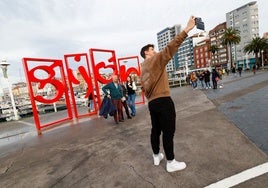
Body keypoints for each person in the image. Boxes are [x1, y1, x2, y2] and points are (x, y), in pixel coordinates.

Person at [140, 16, 195, 173]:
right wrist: (186, 30)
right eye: (151, 49)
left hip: (152, 103)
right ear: (146, 53)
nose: (155, 50)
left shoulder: (142, 68)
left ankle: (156, 155)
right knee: (168, 131)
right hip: (164, 101)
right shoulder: (155, 60)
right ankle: (171, 162)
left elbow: (144, 88)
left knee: (156, 129)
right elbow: (171, 48)